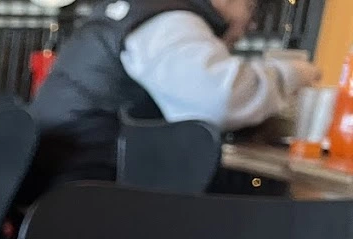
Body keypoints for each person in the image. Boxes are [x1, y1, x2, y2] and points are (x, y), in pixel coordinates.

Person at [26, 0, 320, 191]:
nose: (250, 23)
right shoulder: (169, 21)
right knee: (261, 194)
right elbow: (219, 100)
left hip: (65, 178)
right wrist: (292, 74)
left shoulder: (134, 10)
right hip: (96, 189)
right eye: (250, 8)